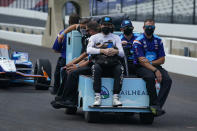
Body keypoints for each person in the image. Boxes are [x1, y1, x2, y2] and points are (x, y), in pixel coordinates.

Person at [51, 21, 100, 108]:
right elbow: (86, 55)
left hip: (95, 65)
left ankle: (71, 100)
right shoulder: (88, 36)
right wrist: (72, 64)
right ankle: (63, 97)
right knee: (66, 69)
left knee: (73, 72)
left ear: (92, 30)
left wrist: (76, 65)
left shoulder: (97, 39)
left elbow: (89, 58)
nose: (85, 32)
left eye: (87, 30)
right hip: (88, 61)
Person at [133, 19, 172, 116]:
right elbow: (141, 61)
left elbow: (162, 59)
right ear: (143, 28)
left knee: (167, 80)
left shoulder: (158, 40)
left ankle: (156, 105)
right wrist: (155, 70)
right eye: (148, 27)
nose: (150, 29)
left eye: (152, 27)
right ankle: (153, 104)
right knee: (150, 77)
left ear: (154, 28)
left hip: (154, 65)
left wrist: (150, 62)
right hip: (141, 67)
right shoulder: (138, 41)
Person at [87, 16, 124, 107]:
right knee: (95, 68)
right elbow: (88, 50)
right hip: (100, 63)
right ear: (100, 25)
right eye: (104, 25)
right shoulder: (94, 37)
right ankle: (97, 97)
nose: (106, 26)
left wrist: (116, 51)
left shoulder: (116, 38)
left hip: (112, 63)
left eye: (108, 25)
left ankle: (116, 97)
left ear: (111, 26)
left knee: (120, 69)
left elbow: (122, 53)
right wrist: (102, 51)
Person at [51, 14, 80, 95]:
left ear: (69, 21)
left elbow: (55, 50)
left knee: (57, 72)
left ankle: (56, 89)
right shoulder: (83, 33)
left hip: (65, 60)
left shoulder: (62, 33)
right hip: (80, 60)